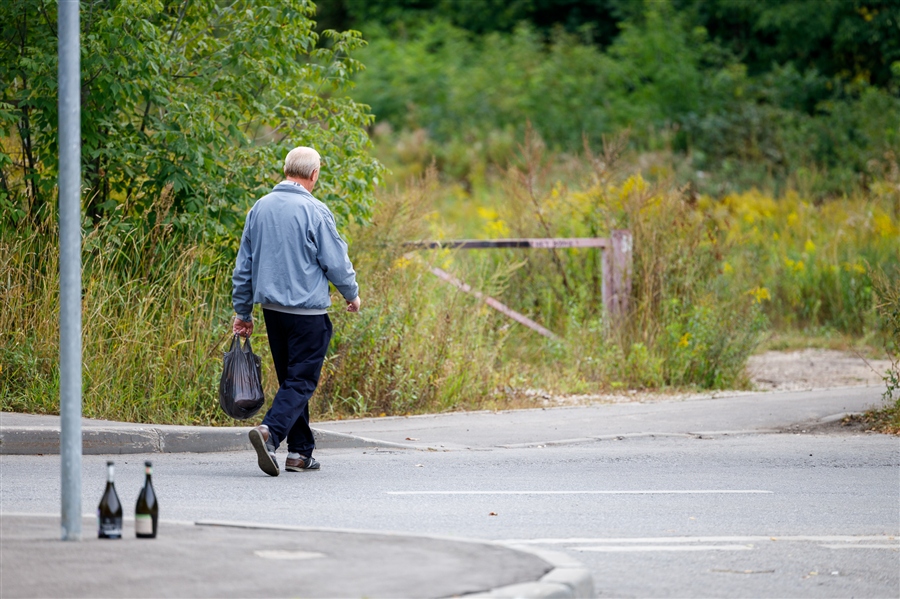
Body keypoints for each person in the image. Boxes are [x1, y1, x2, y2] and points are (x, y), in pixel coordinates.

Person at [232, 146, 361, 477]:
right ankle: (270, 433)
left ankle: (300, 454)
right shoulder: (315, 211)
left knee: (292, 380)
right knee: (301, 381)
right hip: (308, 314)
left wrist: (243, 311)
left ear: (287, 169)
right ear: (314, 174)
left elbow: (244, 266)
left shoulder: (259, 209)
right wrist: (352, 294)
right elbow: (335, 262)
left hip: (272, 313)